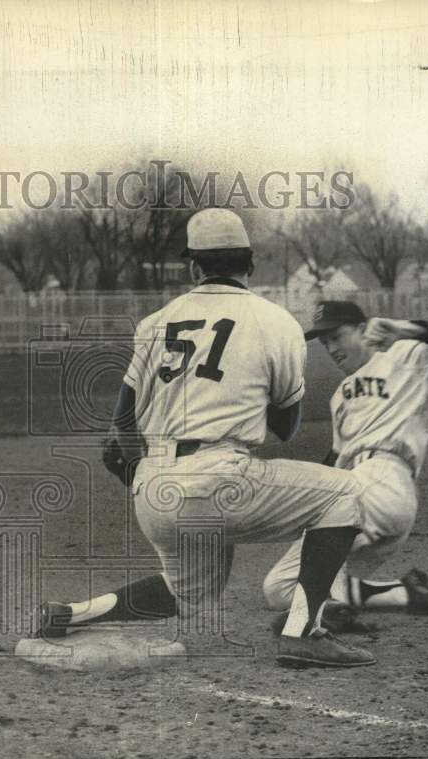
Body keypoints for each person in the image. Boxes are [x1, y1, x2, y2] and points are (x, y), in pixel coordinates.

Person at [34, 209, 377, 668]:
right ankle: (303, 633)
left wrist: (143, 475)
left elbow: (122, 421)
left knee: (188, 592)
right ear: (249, 263)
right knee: (346, 492)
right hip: (219, 478)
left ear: (194, 266)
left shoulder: (156, 322)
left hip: (154, 487)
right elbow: (285, 427)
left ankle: (71, 614)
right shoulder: (276, 322)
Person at [263, 300, 428, 631]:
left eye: (337, 336)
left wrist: (407, 329)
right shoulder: (339, 397)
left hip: (381, 482)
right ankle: (405, 595)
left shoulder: (408, 355)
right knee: (287, 587)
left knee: (295, 586)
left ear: (364, 329)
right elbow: (335, 462)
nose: (331, 349)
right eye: (325, 342)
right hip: (362, 493)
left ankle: (333, 610)